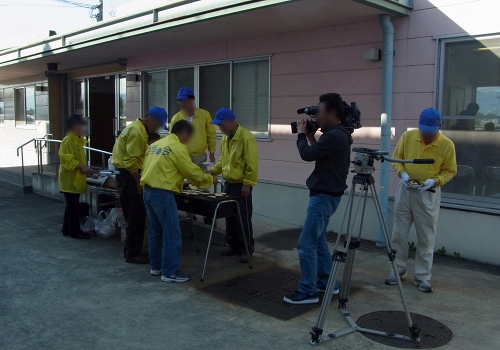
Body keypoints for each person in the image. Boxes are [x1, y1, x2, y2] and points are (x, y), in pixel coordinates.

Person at [283, 93, 353, 305]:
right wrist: (312, 135)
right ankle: (327, 283)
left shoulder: (334, 136)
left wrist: (301, 135)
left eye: (320, 111)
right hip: (328, 195)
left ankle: (308, 291)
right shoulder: (338, 134)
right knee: (319, 240)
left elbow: (307, 153)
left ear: (332, 112)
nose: (317, 117)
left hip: (323, 197)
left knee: (306, 245)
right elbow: (318, 152)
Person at [386, 108, 457, 293]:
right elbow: (397, 159)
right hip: (406, 190)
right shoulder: (408, 137)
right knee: (399, 233)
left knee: (426, 236)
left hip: (428, 192)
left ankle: (423, 276)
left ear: (439, 127)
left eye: (430, 132)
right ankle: (397, 269)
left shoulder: (447, 145)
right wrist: (402, 174)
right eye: (423, 131)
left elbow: (450, 170)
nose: (426, 136)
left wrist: (435, 180)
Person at [141, 120, 218, 283]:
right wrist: (210, 179)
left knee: (155, 232)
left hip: (148, 190)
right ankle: (170, 272)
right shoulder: (178, 147)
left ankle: (156, 267)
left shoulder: (156, 144)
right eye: (189, 136)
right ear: (184, 133)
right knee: (172, 233)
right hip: (162, 193)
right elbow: (192, 172)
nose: (189, 140)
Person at [112, 107, 167, 264]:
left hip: (125, 174)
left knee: (134, 215)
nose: (157, 128)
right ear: (151, 118)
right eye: (158, 125)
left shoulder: (137, 128)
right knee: (136, 216)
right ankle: (132, 253)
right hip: (129, 175)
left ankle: (132, 250)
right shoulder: (137, 131)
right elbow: (130, 162)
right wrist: (139, 182)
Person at [209, 108, 258, 264]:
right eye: (218, 126)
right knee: (229, 215)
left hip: (241, 184)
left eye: (222, 125)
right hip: (229, 182)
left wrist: (247, 184)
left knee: (242, 217)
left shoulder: (245, 137)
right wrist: (214, 171)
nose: (220, 128)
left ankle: (246, 249)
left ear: (231, 122)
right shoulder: (226, 138)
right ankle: (233, 246)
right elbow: (224, 160)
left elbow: (252, 163)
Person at [59, 115, 93, 239]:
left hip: (75, 177)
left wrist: (86, 169)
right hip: (69, 178)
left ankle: (66, 229)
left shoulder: (78, 140)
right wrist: (82, 167)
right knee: (73, 206)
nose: (83, 128)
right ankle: (75, 232)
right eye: (80, 125)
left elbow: (78, 159)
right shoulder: (68, 140)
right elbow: (67, 159)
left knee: (71, 205)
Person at [170, 87, 216, 172]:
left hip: (200, 156)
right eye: (180, 101)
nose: (182, 104)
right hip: (182, 157)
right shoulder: (176, 118)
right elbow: (171, 139)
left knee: (201, 181)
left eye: (184, 101)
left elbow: (211, 134)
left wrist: (212, 152)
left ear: (192, 99)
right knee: (183, 183)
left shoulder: (204, 115)